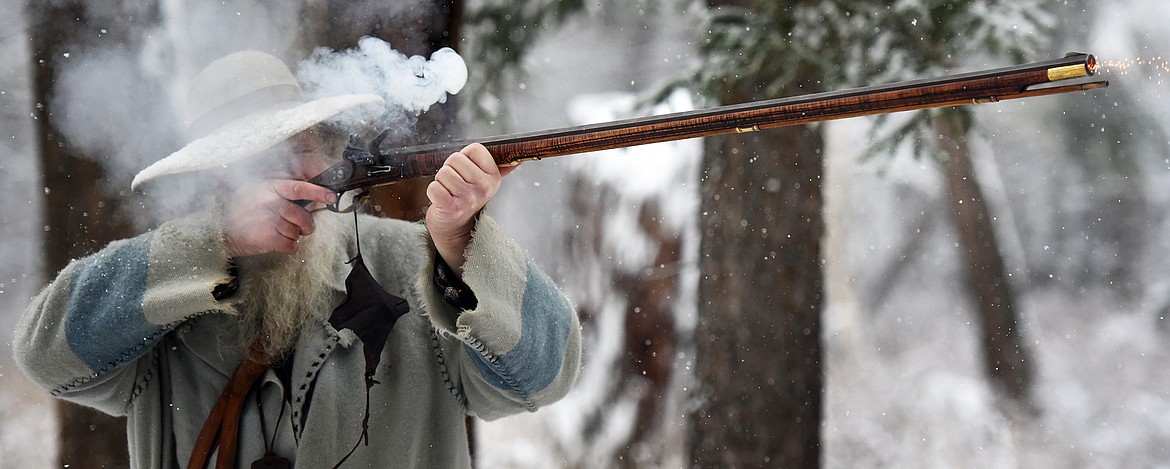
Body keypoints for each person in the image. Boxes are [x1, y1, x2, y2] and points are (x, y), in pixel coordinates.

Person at [13, 50, 581, 468]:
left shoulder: (412, 263)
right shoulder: (160, 294)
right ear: (212, 183)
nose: (289, 174)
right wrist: (218, 243)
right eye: (254, 160)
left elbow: (545, 377)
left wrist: (460, 242)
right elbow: (44, 355)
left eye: (299, 149)